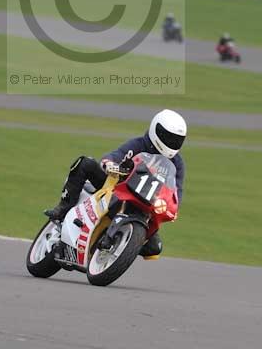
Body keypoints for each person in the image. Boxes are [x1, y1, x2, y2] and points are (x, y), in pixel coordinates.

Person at [45, 109, 187, 258]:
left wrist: (173, 208)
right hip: (117, 186)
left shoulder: (177, 163)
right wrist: (109, 163)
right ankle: (63, 207)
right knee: (85, 163)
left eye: (177, 139)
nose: (172, 142)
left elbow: (177, 191)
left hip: (147, 204)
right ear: (155, 129)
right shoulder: (139, 144)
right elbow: (117, 155)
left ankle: (122, 247)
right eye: (168, 137)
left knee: (154, 248)